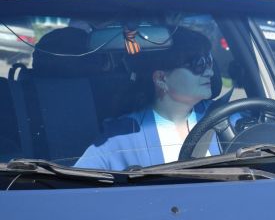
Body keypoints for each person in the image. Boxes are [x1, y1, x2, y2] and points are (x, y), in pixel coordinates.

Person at [75, 27, 222, 170]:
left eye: (209, 61)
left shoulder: (226, 118)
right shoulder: (120, 136)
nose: (209, 71)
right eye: (199, 63)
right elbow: (77, 185)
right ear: (161, 78)